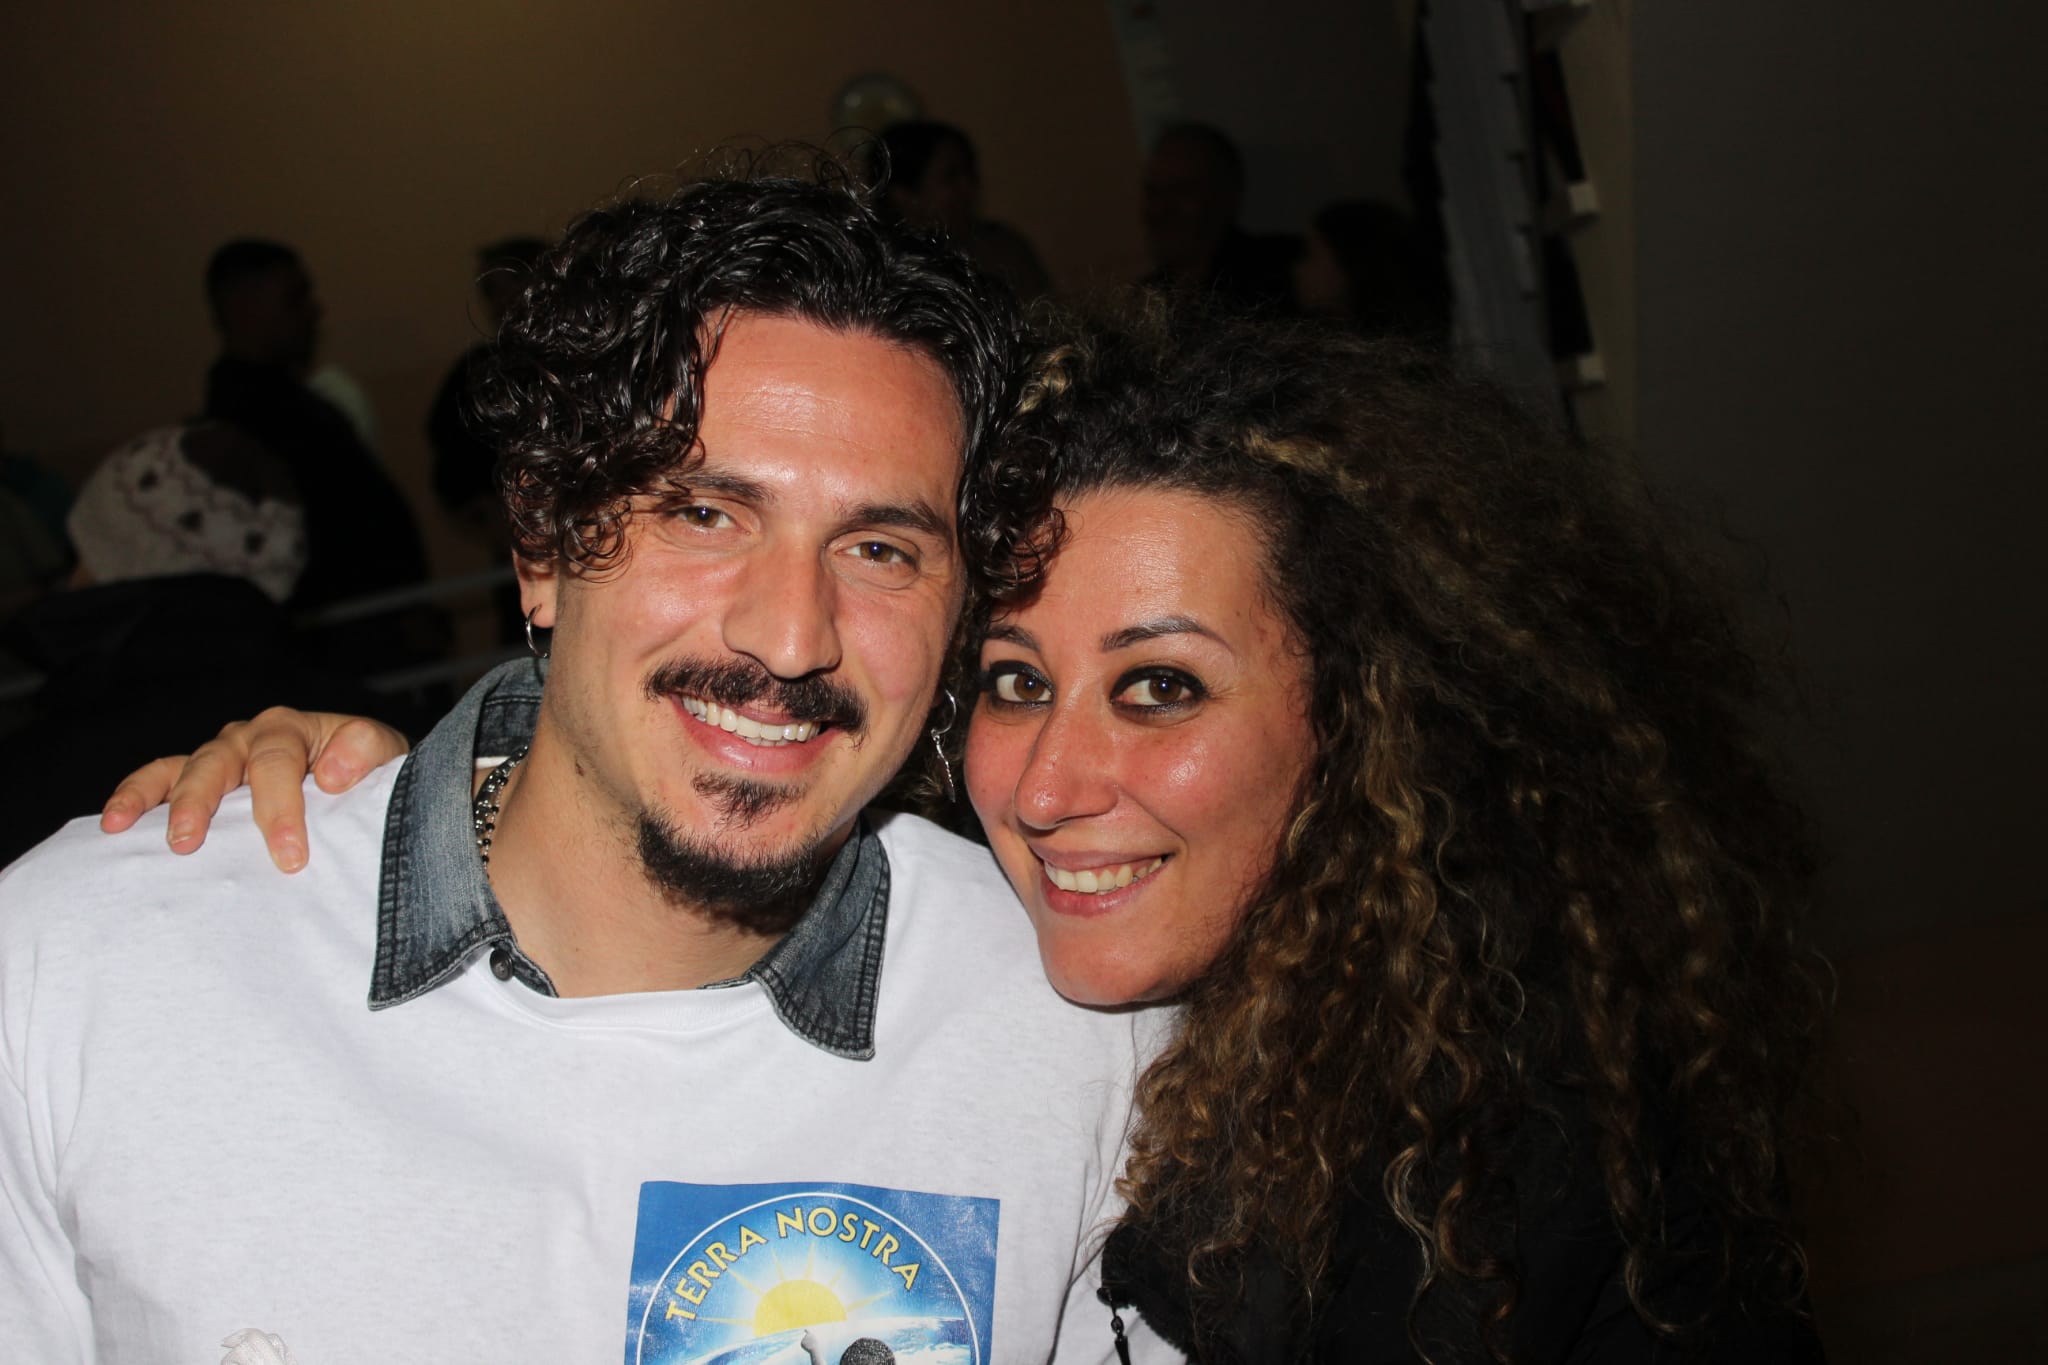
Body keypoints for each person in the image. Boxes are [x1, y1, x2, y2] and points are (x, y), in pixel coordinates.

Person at [136, 302, 1831, 1361]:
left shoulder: (1489, 1170)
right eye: (1015, 680)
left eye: (1160, 688)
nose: (1048, 781)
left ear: (1369, 717)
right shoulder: (1119, 1003)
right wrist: (397, 793)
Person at [0, 171, 1173, 1363]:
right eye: (704, 515)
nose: (788, 637)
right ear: (542, 548)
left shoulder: (1080, 1039)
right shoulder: (90, 968)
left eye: (879, 548)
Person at [201, 239, 431, 617]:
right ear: (244, 307)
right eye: (293, 299)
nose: (314, 311)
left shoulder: (292, 403)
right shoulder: (246, 422)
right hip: (344, 626)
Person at [872, 120, 1054, 304]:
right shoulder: (880, 263)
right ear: (903, 194)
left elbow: (1042, 311)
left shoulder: (1002, 251)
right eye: (951, 176)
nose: (967, 186)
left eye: (969, 172)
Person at [1138, 124, 1297, 313]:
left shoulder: (1281, 277)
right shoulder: (1143, 299)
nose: (1160, 209)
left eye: (1181, 191)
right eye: (1153, 192)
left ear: (1225, 195)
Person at [1291, 199, 1452, 342]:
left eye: (1310, 254)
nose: (1298, 269)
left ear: (1349, 261)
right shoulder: (1336, 337)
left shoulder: (1390, 348)